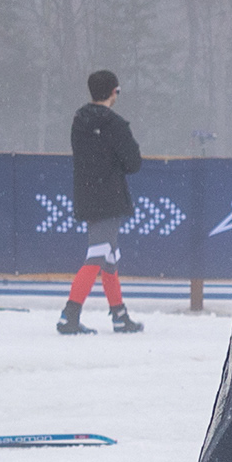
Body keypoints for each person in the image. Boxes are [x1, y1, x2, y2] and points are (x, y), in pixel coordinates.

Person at [62, 70, 146, 337]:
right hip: (110, 197)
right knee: (98, 255)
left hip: (86, 195)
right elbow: (133, 163)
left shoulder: (79, 120)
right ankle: (70, 315)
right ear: (113, 92)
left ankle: (119, 315)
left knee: (109, 257)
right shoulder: (114, 124)